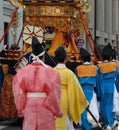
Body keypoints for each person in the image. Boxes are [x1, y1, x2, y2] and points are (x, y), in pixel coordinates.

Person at [12, 36, 63, 130]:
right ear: (43, 57)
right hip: (46, 107)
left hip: (29, 106)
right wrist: (57, 111)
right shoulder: (52, 72)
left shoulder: (22, 72)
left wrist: (21, 108)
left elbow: (18, 92)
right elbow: (54, 95)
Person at [54, 45, 89, 130]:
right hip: (65, 99)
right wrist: (83, 101)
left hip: (53, 98)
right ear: (66, 58)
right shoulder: (69, 73)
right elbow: (76, 90)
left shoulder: (51, 71)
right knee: (66, 121)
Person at [75, 48, 99, 130]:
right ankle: (90, 126)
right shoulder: (95, 68)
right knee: (92, 110)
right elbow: (98, 81)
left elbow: (77, 81)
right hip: (92, 91)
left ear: (81, 59)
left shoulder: (78, 68)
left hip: (82, 91)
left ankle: (85, 127)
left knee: (83, 110)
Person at [96, 43, 118, 130]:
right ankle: (110, 122)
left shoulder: (99, 66)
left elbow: (98, 78)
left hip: (102, 87)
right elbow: (116, 75)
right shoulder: (114, 65)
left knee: (103, 106)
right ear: (110, 57)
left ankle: (106, 123)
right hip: (111, 87)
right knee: (110, 104)